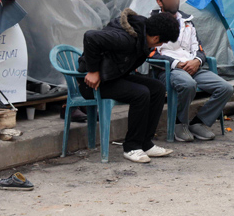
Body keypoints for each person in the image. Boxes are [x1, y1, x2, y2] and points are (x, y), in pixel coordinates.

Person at [77, 9, 179, 164]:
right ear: (157, 38)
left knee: (157, 88)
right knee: (140, 93)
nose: (160, 45)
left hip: (112, 77)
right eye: (162, 42)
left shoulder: (141, 32)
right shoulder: (126, 38)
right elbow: (91, 37)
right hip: (92, 84)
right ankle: (131, 146)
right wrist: (93, 71)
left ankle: (145, 143)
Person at [150, 0, 234, 142]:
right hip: (169, 70)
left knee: (225, 88)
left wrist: (197, 61)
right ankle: (179, 123)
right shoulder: (153, 21)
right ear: (159, 1)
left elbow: (199, 49)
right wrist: (176, 64)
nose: (174, 0)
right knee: (188, 84)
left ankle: (198, 123)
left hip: (193, 67)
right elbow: (151, 51)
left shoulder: (188, 21)